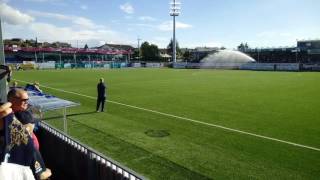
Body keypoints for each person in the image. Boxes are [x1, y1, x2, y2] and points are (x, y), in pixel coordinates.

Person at [6, 89, 51, 179]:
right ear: (12, 100)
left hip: (32, 156)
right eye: (24, 100)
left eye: (27, 99)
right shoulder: (8, 115)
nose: (27, 102)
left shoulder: (26, 113)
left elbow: (28, 131)